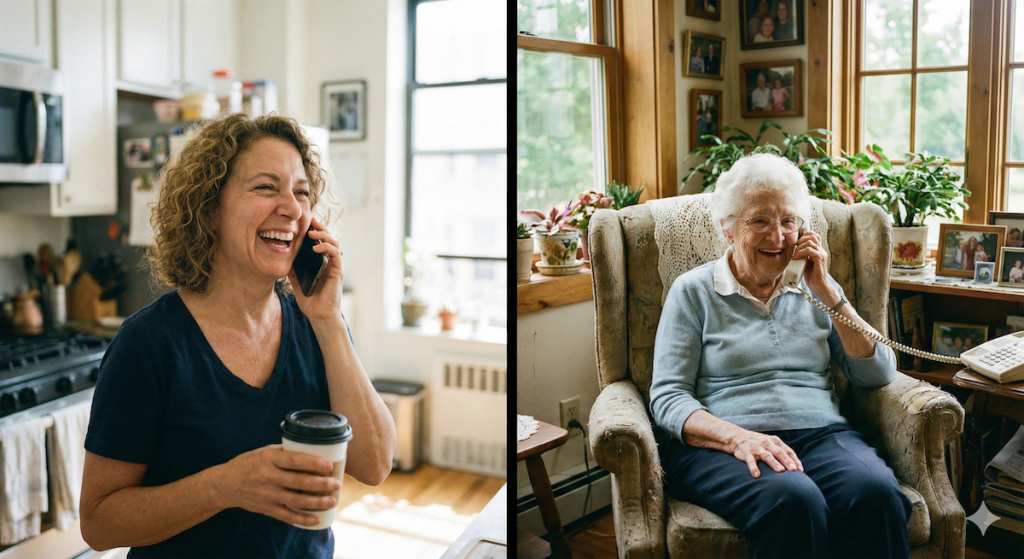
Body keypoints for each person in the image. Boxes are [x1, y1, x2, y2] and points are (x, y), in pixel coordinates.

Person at [80, 113, 398, 558]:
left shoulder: (318, 325)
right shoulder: (149, 343)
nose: (292, 208)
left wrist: (329, 322)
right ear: (209, 210)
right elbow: (98, 524)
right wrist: (226, 485)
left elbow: (376, 464)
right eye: (266, 187)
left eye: (302, 192)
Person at [650, 153, 910, 558]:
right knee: (794, 502)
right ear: (727, 228)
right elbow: (667, 398)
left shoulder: (818, 291)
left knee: (877, 493)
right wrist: (738, 438)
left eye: (789, 221)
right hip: (726, 444)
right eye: (760, 220)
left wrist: (826, 290)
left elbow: (877, 373)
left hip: (822, 435)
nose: (778, 237)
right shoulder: (693, 292)